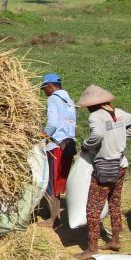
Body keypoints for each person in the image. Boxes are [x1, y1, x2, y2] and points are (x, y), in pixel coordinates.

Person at [76, 85, 131, 260]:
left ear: (93, 105)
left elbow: (97, 134)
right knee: (114, 202)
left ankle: (92, 248)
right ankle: (115, 240)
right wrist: (122, 136)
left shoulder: (95, 116)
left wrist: (86, 145)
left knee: (93, 207)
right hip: (121, 165)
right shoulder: (119, 113)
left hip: (105, 167)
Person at [40, 72, 77, 226]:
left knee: (51, 182)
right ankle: (57, 217)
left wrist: (41, 136)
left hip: (56, 145)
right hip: (69, 144)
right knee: (60, 180)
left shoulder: (53, 99)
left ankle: (53, 219)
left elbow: (53, 124)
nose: (44, 92)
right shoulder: (69, 100)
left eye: (44, 89)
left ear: (50, 86)